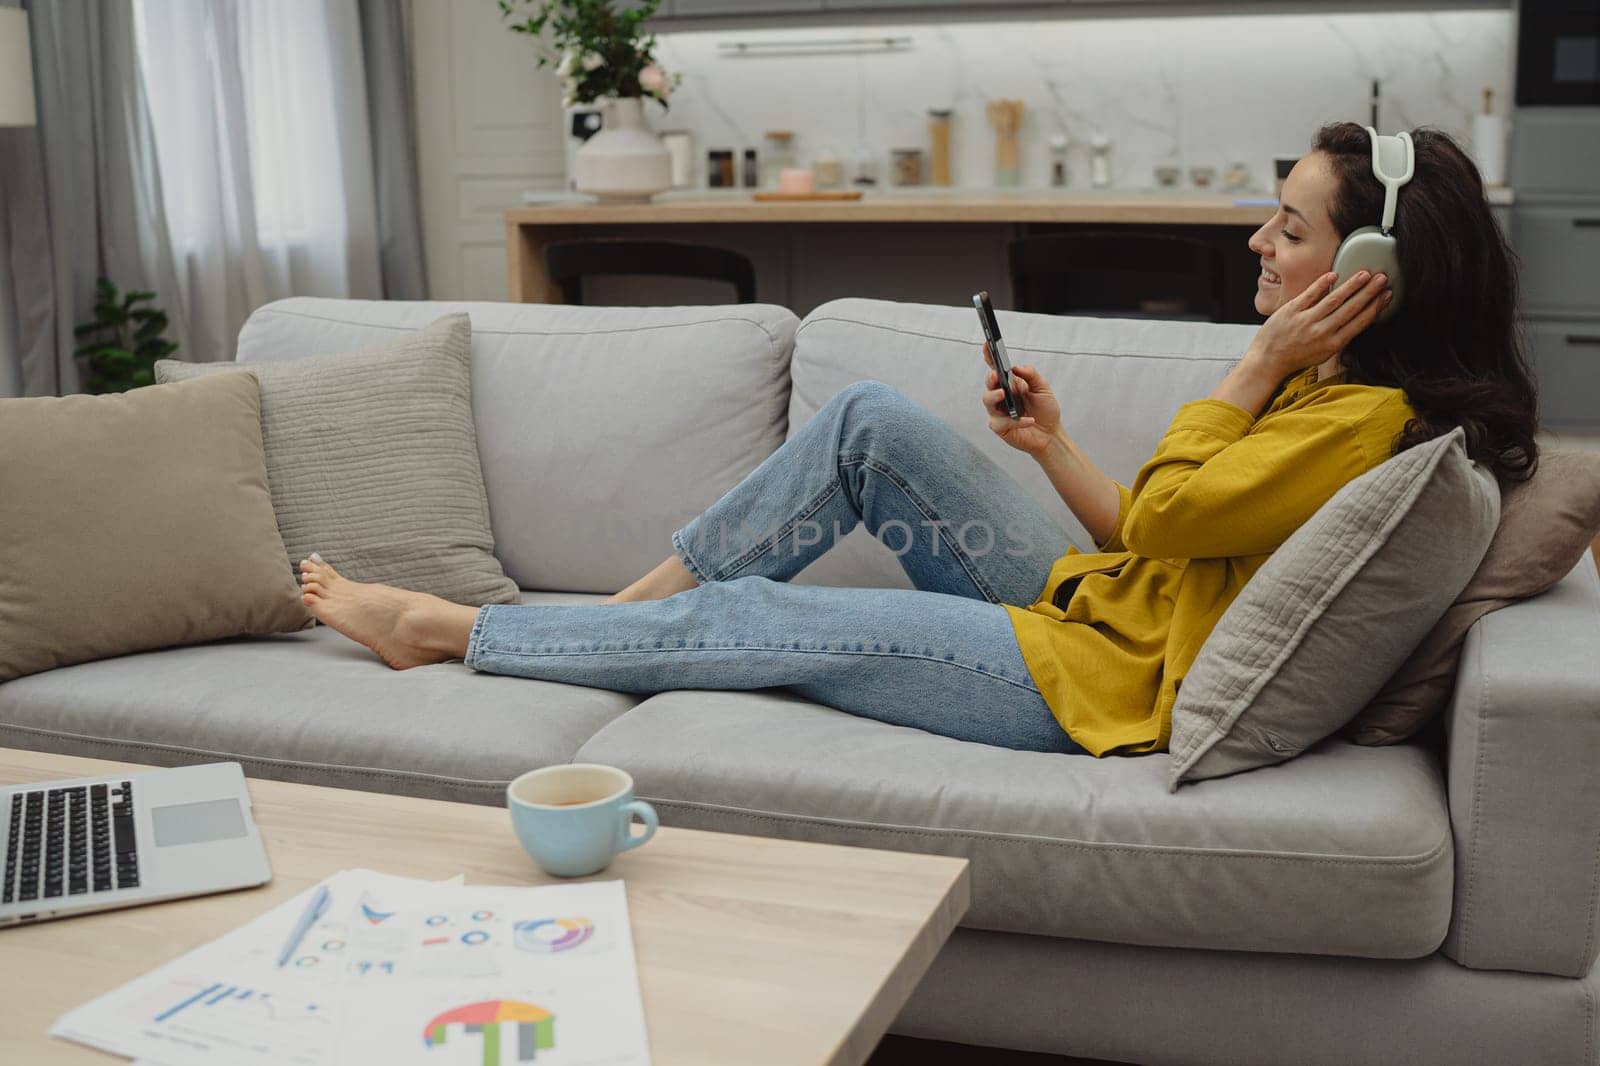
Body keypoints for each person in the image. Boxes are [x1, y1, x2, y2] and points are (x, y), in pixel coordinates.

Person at [299, 121, 1538, 758]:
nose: (1259, 244)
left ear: (1368, 273)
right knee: (867, 423)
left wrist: (1252, 363)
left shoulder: (1357, 414)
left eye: (1288, 227)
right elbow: (1157, 546)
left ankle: (448, 632)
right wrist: (1052, 447)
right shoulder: (1337, 392)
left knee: (760, 621)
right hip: (1093, 610)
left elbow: (1165, 516)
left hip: (1094, 693)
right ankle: (614, 622)